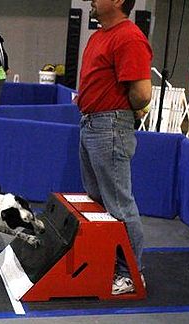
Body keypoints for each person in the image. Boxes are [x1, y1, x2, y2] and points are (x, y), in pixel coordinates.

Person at [77, 0, 152, 295]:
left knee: (119, 205)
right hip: (92, 124)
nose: (91, 0)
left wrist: (120, 112)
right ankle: (110, 264)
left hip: (109, 126)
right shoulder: (100, 36)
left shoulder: (129, 37)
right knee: (99, 202)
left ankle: (132, 273)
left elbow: (142, 93)